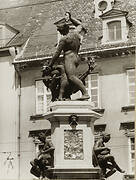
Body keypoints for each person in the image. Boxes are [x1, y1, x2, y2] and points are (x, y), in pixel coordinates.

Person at [48, 12, 90, 100]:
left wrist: (50, 65)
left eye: (59, 31)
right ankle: (63, 95)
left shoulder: (64, 39)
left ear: (62, 31)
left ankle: (85, 93)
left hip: (69, 58)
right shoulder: (75, 33)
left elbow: (57, 54)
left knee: (71, 77)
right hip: (76, 57)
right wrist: (71, 18)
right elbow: (80, 24)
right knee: (66, 77)